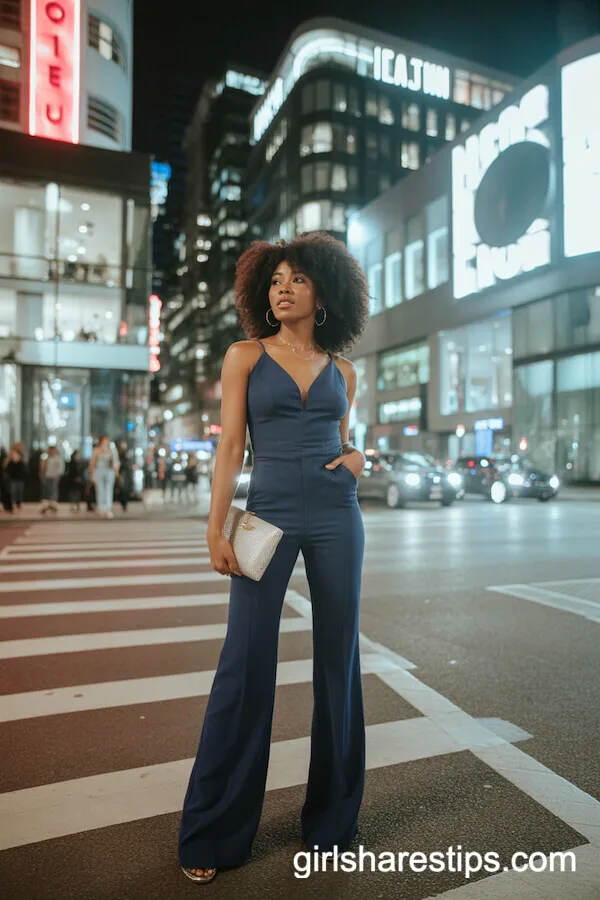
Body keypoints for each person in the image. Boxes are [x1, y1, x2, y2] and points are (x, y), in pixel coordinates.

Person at [178, 233, 370, 883]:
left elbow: (346, 443)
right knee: (244, 665)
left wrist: (353, 463)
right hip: (266, 518)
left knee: (339, 667)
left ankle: (333, 825)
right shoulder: (244, 356)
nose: (281, 288)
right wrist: (216, 528)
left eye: (296, 279)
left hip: (339, 520)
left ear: (322, 297)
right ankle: (212, 834)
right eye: (274, 279)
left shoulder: (346, 372)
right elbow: (231, 446)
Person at [89, 435, 119, 519]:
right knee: (100, 490)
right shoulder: (96, 450)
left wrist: (116, 471)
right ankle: (101, 508)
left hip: (109, 471)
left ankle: (108, 508)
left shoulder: (112, 450)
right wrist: (92, 474)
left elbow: (115, 461)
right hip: (99, 471)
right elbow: (92, 462)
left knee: (109, 489)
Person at [40, 445, 65, 514]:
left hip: (54, 477)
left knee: (53, 490)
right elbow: (42, 467)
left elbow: (61, 468)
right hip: (47, 476)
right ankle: (46, 505)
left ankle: (53, 505)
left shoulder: (58, 458)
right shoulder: (46, 457)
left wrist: (58, 476)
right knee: (46, 491)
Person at [3, 442, 27, 514]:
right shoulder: (10, 454)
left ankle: (19, 504)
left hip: (20, 476)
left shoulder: (22, 455)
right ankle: (13, 505)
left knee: (19, 491)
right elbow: (5, 464)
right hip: (12, 477)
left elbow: (24, 464)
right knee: (13, 491)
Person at [117, 440, 133, 513]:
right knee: (122, 489)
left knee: (126, 489)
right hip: (122, 473)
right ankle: (123, 503)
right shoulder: (118, 453)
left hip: (127, 473)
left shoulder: (127, 452)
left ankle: (125, 504)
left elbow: (129, 463)